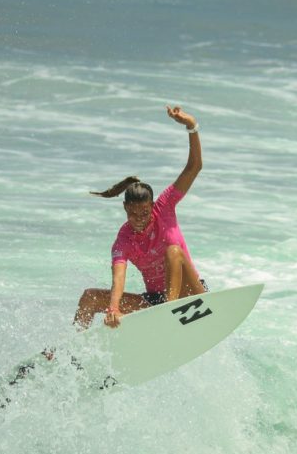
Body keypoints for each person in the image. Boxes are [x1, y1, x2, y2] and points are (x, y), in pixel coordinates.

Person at [74, 105, 205, 329]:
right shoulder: (124, 239)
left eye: (145, 212)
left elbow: (194, 167)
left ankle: (168, 312)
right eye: (133, 214)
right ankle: (77, 347)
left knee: (173, 251)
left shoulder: (165, 207)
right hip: (155, 301)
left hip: (191, 296)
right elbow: (118, 277)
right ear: (125, 208)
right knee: (90, 297)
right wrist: (113, 308)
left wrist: (192, 126)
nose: (140, 219)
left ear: (152, 206)